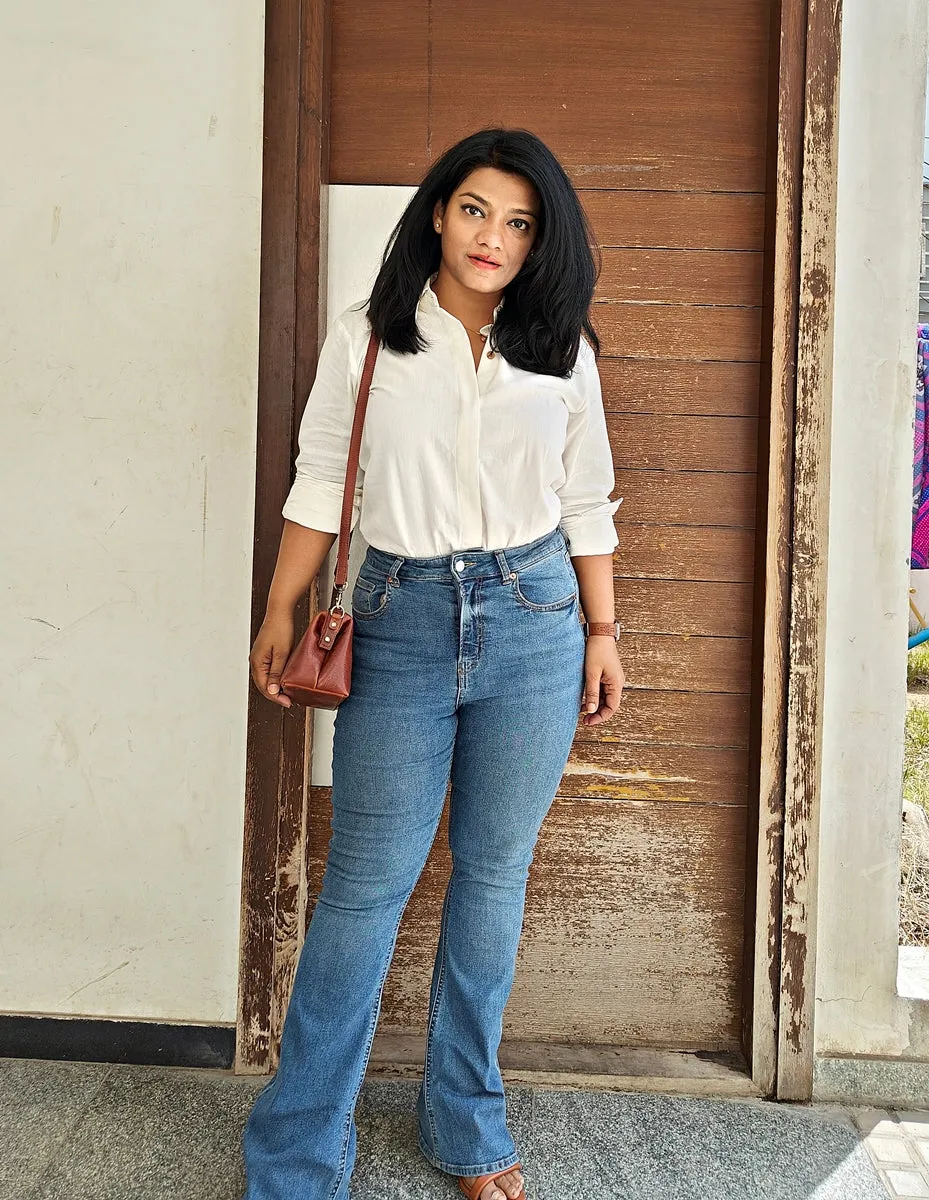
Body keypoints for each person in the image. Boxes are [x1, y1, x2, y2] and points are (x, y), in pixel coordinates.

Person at [242, 127, 625, 1200]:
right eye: (473, 209)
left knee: (492, 881)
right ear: (436, 213)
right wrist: (280, 607)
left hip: (534, 616)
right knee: (364, 891)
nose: (490, 236)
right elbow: (322, 477)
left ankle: (463, 1120)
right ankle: (296, 1153)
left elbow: (586, 498)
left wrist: (601, 631)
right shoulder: (370, 337)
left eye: (517, 220)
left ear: (539, 239)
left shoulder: (559, 348)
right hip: (400, 615)